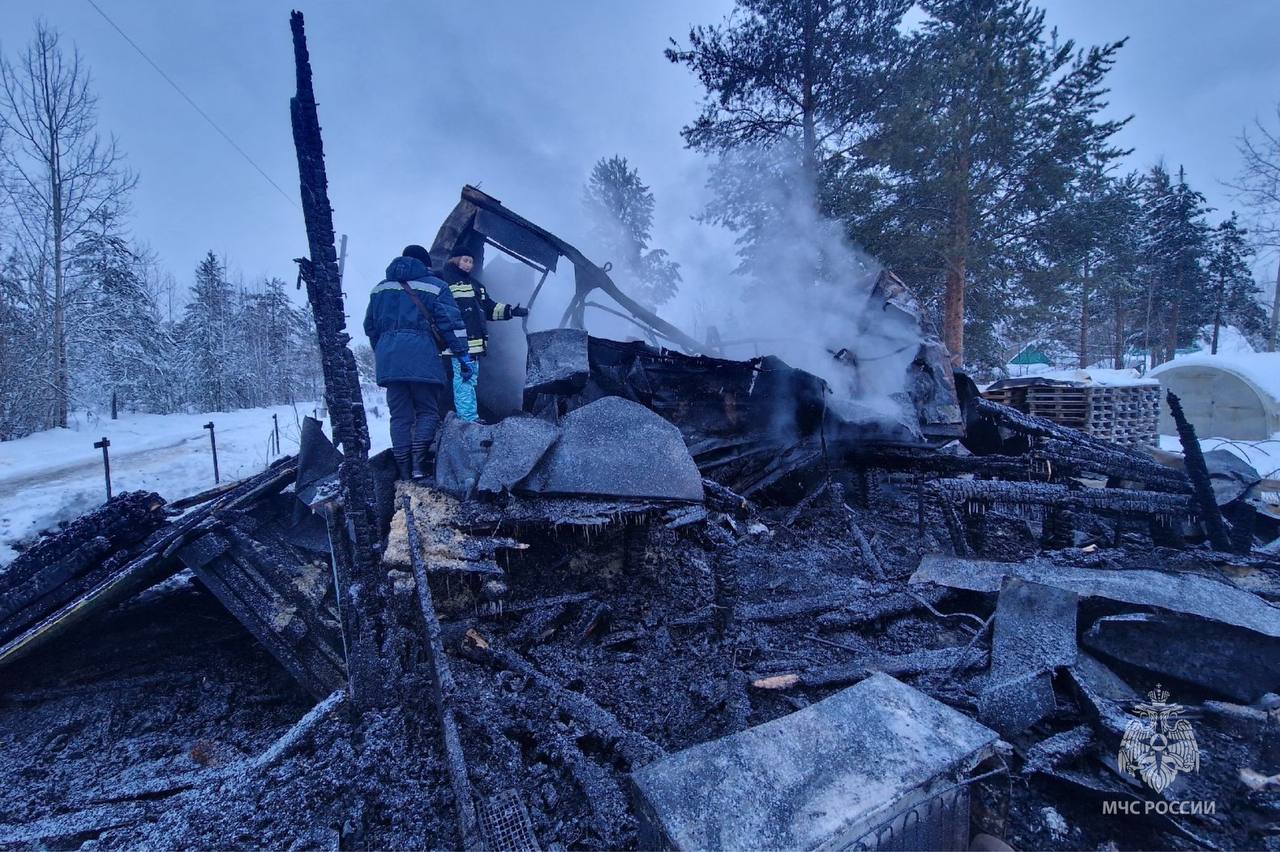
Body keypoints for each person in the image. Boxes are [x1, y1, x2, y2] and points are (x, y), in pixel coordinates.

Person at [363, 244, 474, 480]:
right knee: (427, 411)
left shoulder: (379, 289)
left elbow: (370, 328)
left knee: (400, 416)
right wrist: (463, 356)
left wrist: (384, 352)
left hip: (390, 363)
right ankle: (418, 465)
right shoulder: (436, 286)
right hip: (423, 357)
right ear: (426, 265)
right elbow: (451, 325)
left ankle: (403, 469)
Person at [439, 248, 528, 422]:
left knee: (469, 380)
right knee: (464, 380)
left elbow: (489, 308)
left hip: (474, 345)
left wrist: (512, 311)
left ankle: (469, 416)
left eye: (471, 262)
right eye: (465, 260)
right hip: (458, 344)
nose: (468, 265)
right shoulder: (445, 283)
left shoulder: (476, 286)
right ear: (455, 260)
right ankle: (467, 419)